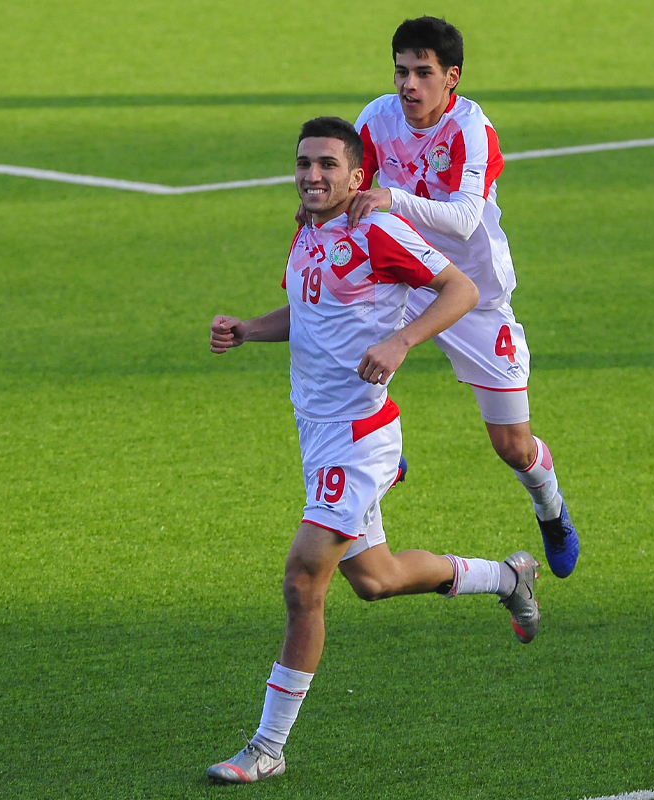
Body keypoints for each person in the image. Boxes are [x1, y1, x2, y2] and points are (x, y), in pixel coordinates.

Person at [205, 116, 542, 785]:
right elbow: (309, 314)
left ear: (359, 177)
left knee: (304, 582)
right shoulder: (308, 232)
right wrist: (248, 329)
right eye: (304, 164)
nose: (313, 176)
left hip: (359, 440)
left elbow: (462, 290)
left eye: (329, 165)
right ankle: (509, 578)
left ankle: (267, 748)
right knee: (376, 580)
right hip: (319, 435)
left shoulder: (379, 230)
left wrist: (401, 342)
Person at [303, 16, 579, 578]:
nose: (409, 85)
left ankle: (549, 507)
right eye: (401, 71)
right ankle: (380, 458)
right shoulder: (376, 119)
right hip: (401, 279)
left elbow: (463, 219)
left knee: (512, 444)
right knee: (347, 361)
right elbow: (347, 189)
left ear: (451, 77)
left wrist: (392, 199)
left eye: (423, 73)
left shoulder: (471, 129)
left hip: (473, 294)